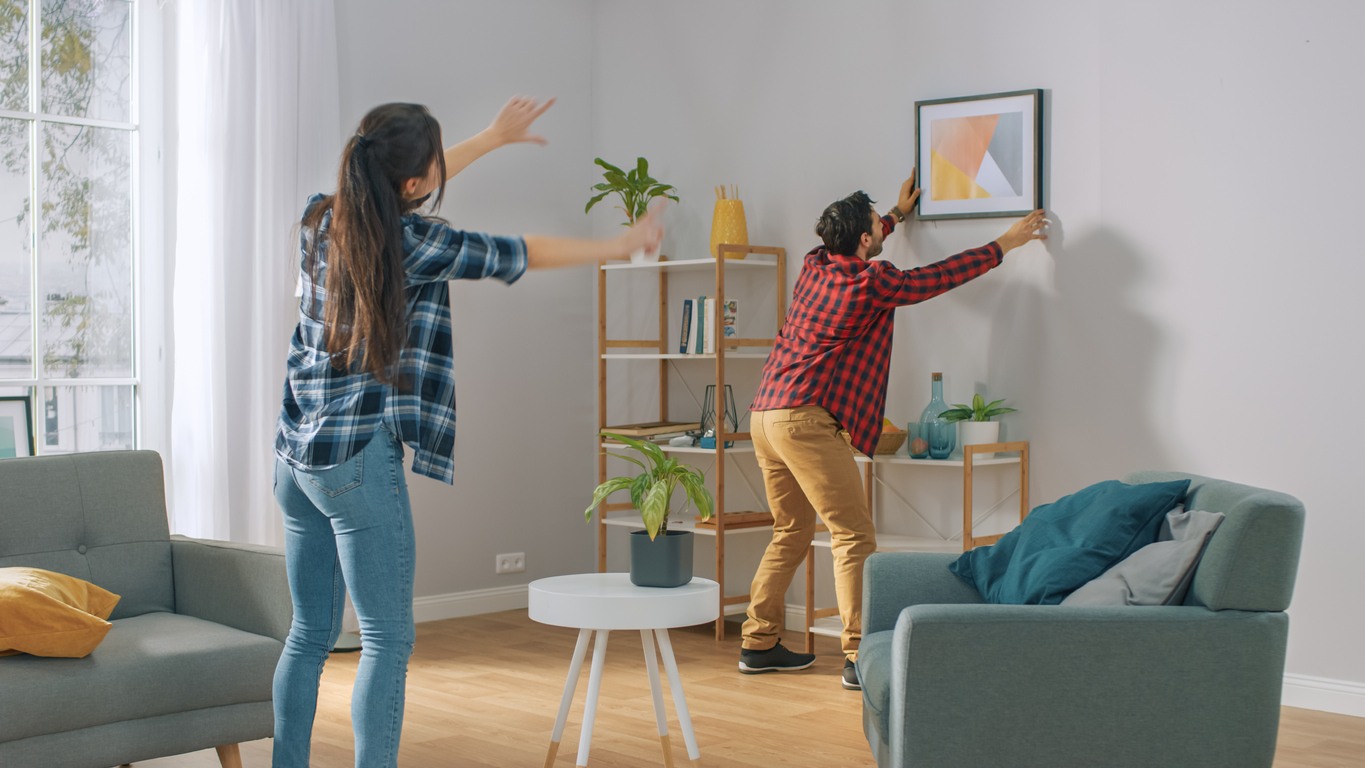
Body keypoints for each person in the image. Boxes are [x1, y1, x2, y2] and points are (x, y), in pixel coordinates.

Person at [270, 97, 661, 768]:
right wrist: (617, 245)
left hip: (295, 460)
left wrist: (491, 137)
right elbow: (519, 253)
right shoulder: (415, 242)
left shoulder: (319, 216)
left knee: (308, 632)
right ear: (415, 184)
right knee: (388, 637)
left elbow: (397, 181)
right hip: (357, 460)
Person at [738, 170, 1047, 690]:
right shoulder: (873, 283)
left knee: (790, 528)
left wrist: (897, 217)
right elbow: (938, 277)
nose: (881, 235)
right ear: (864, 241)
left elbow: (860, 239)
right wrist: (1004, 244)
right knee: (853, 533)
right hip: (804, 420)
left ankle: (759, 641)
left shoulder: (814, 266)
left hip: (764, 414)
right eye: (876, 230)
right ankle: (859, 656)